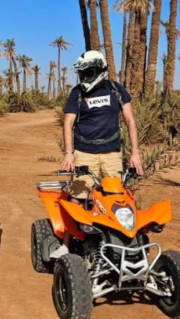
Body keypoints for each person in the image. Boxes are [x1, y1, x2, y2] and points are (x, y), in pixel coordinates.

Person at [50, 50, 143, 259]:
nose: (84, 77)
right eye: (82, 73)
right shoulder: (77, 93)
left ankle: (120, 246)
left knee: (117, 199)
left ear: (100, 69)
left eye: (88, 72)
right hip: (85, 154)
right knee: (77, 198)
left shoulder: (116, 90)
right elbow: (68, 123)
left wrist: (135, 153)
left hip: (112, 154)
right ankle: (66, 244)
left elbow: (130, 121)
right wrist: (69, 153)